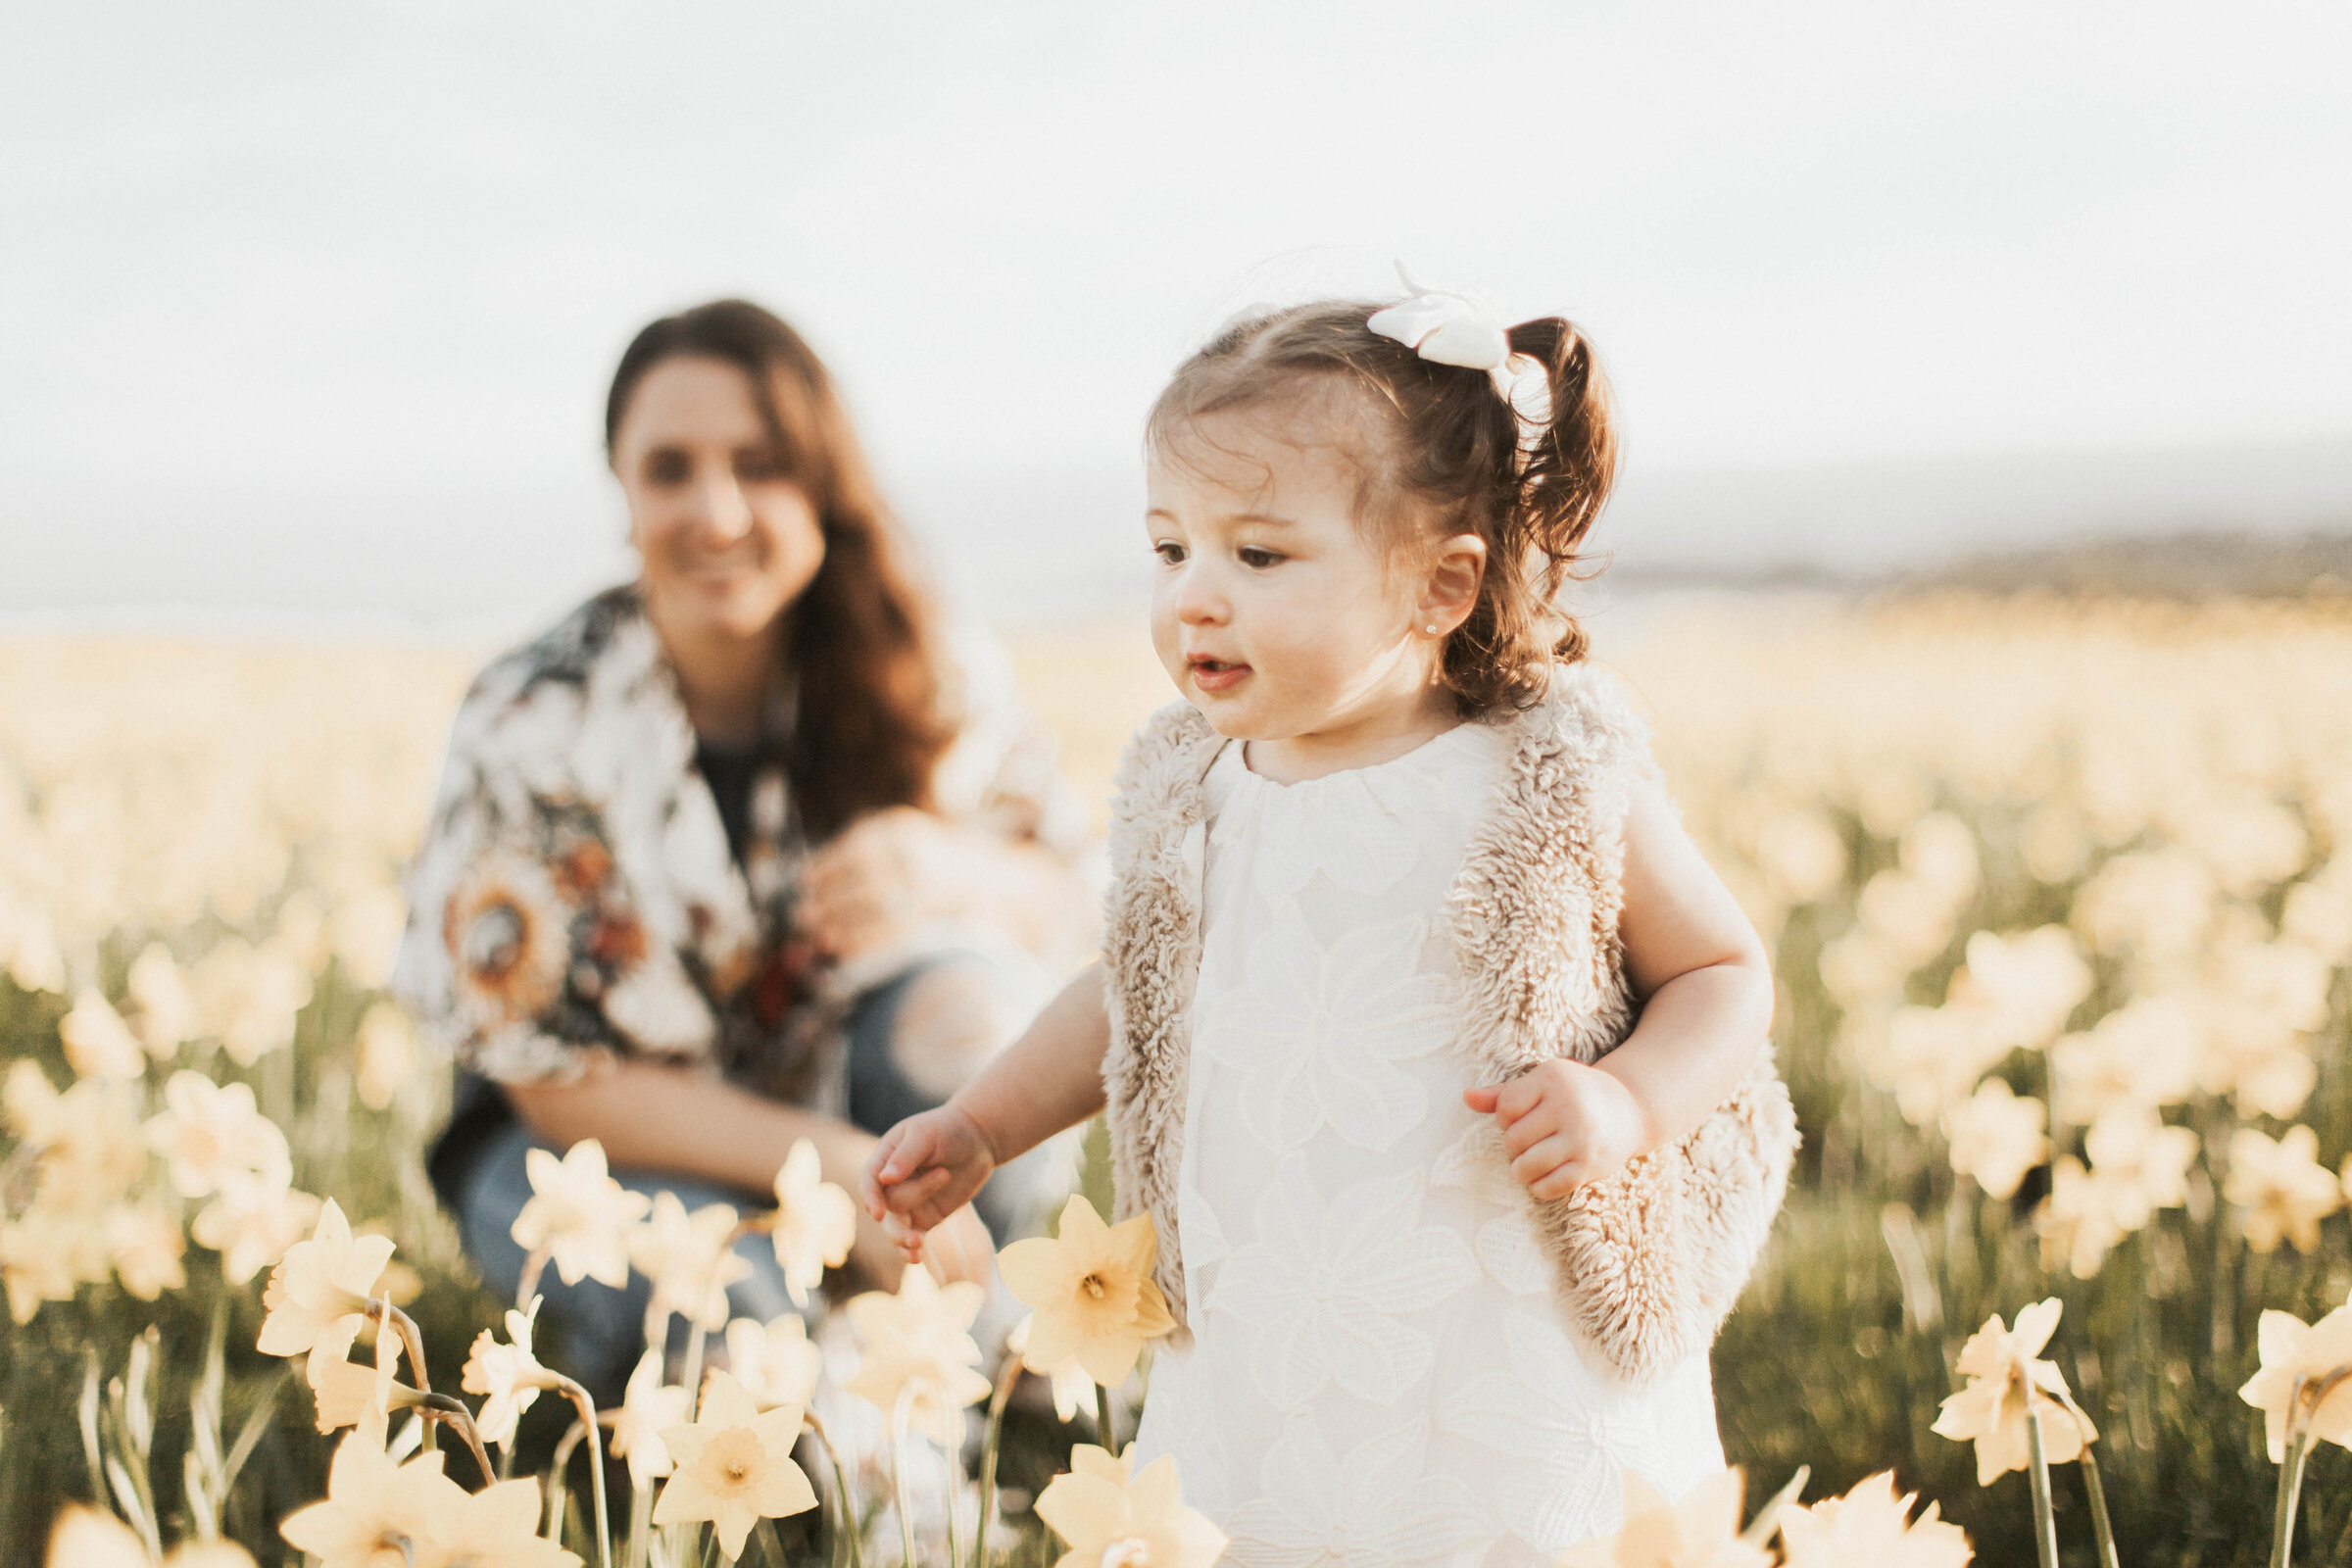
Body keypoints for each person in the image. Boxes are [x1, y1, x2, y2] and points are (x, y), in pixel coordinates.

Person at [860, 286, 1801, 1562]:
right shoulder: (1190, 795)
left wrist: (1629, 1101)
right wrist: (983, 1123)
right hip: (1270, 1328)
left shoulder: (1545, 775)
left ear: (1441, 584)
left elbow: (1723, 970)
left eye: (1257, 556)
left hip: (1503, 1324)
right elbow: (1130, 996)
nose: (1196, 596)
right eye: (1168, 548)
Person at [391, 298, 1091, 1401]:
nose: (716, 513)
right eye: (671, 470)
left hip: (862, 1138)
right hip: (590, 1158)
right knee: (736, 1311)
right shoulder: (534, 716)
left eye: (759, 465)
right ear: (622, 493)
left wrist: (942, 868)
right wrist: (838, 1165)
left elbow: (1079, 900)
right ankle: (923, 1368)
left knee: (981, 1012)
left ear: (821, 482)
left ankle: (918, 1336)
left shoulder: (928, 667)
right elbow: (555, 1082)